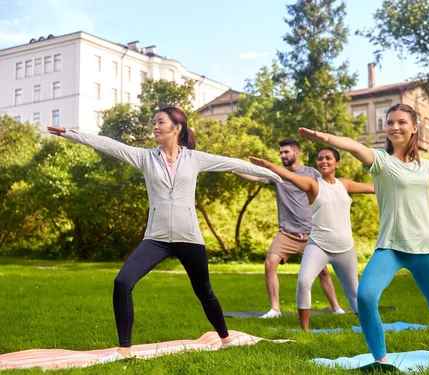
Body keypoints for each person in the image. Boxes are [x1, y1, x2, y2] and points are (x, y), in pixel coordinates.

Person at [47, 106, 282, 363]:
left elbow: (231, 163)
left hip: (189, 238)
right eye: (154, 123)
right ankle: (124, 350)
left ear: (177, 128)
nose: (155, 127)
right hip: (156, 239)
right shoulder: (144, 157)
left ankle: (225, 339)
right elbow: (109, 145)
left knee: (204, 291)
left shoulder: (195, 158)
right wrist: (70, 133)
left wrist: (272, 173)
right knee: (122, 283)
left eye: (161, 122)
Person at [298, 103, 429, 364]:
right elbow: (353, 146)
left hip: (425, 248)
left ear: (414, 128)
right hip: (391, 247)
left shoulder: (423, 166)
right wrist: (323, 137)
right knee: (366, 297)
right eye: (390, 122)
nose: (395, 126)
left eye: (401, 122)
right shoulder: (380, 161)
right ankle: (381, 361)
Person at [249, 147, 374, 330]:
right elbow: (290, 176)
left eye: (328, 158)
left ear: (337, 163)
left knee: (354, 292)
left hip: (345, 247)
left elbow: (374, 188)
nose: (323, 161)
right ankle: (304, 330)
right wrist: (267, 165)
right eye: (320, 159)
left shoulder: (344, 184)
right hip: (318, 245)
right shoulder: (313, 184)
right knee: (304, 282)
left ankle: (367, 327)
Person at [232, 138, 343, 319]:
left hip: (311, 233)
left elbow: (331, 187)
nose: (282, 155)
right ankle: (275, 310)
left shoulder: (312, 173)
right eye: (281, 152)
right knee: (270, 263)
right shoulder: (278, 175)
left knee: (322, 270)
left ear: (296, 152)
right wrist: (235, 169)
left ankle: (336, 308)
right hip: (287, 234)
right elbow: (256, 176)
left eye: (286, 152)